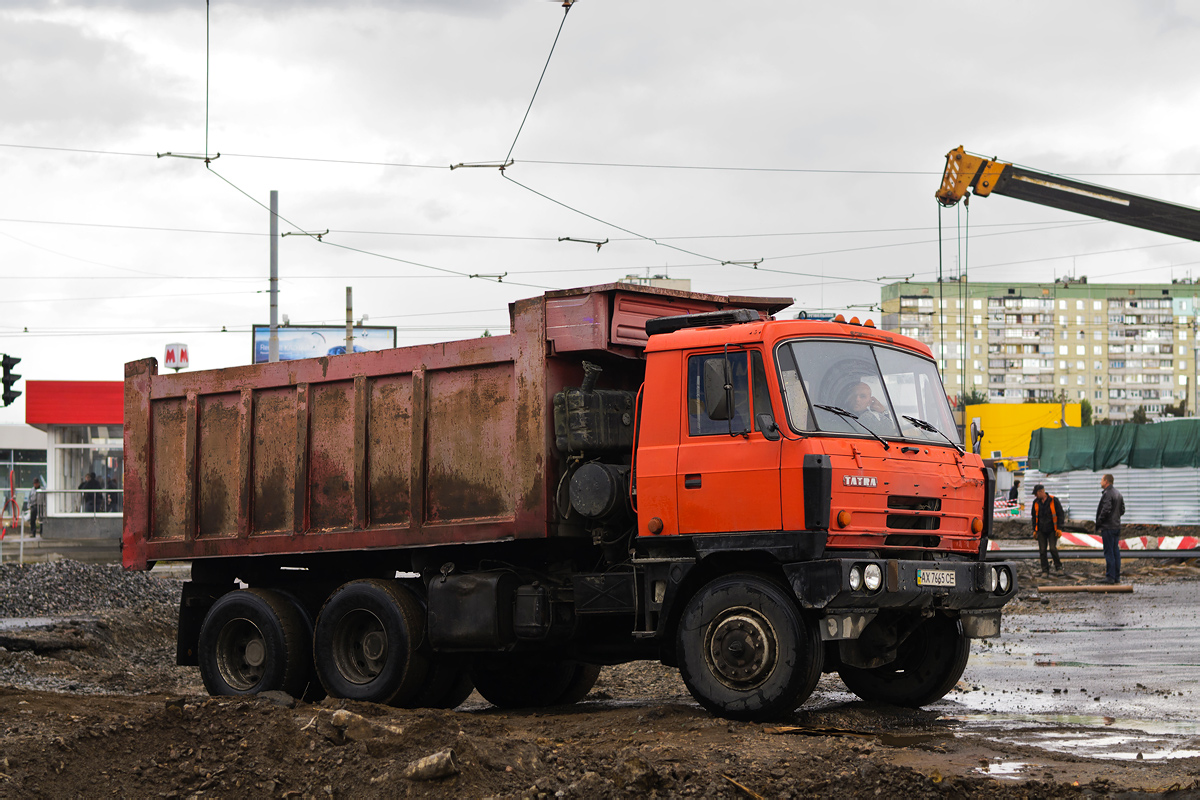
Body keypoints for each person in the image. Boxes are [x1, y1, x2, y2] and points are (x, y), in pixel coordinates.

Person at [1095, 473, 1126, 585]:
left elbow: (1106, 509)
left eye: (1101, 480)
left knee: (1109, 552)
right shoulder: (1118, 493)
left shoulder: (1108, 494)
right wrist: (1115, 517)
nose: (1100, 482)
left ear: (1106, 481)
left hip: (1108, 527)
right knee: (1115, 552)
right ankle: (1116, 576)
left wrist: (1099, 521)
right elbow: (1122, 510)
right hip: (1116, 526)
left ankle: (1110, 577)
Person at [1031, 484, 1065, 577]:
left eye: (1036, 493)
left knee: (1053, 548)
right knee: (1042, 551)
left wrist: (1059, 528)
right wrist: (1035, 530)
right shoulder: (1036, 503)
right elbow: (1034, 517)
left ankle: (1059, 567)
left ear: (1041, 492)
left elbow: (1060, 514)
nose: (1035, 496)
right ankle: (1045, 570)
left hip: (1052, 530)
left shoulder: (1054, 500)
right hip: (1041, 530)